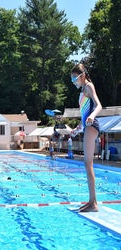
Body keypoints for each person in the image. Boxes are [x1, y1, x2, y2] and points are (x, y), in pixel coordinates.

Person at [70, 64, 102, 212]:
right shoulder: (82, 91)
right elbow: (84, 113)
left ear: (82, 76)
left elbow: (98, 106)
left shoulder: (89, 86)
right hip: (87, 126)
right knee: (87, 164)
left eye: (74, 78)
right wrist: (77, 129)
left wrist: (91, 116)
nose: (73, 82)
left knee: (88, 163)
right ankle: (91, 201)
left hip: (92, 125)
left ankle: (93, 203)